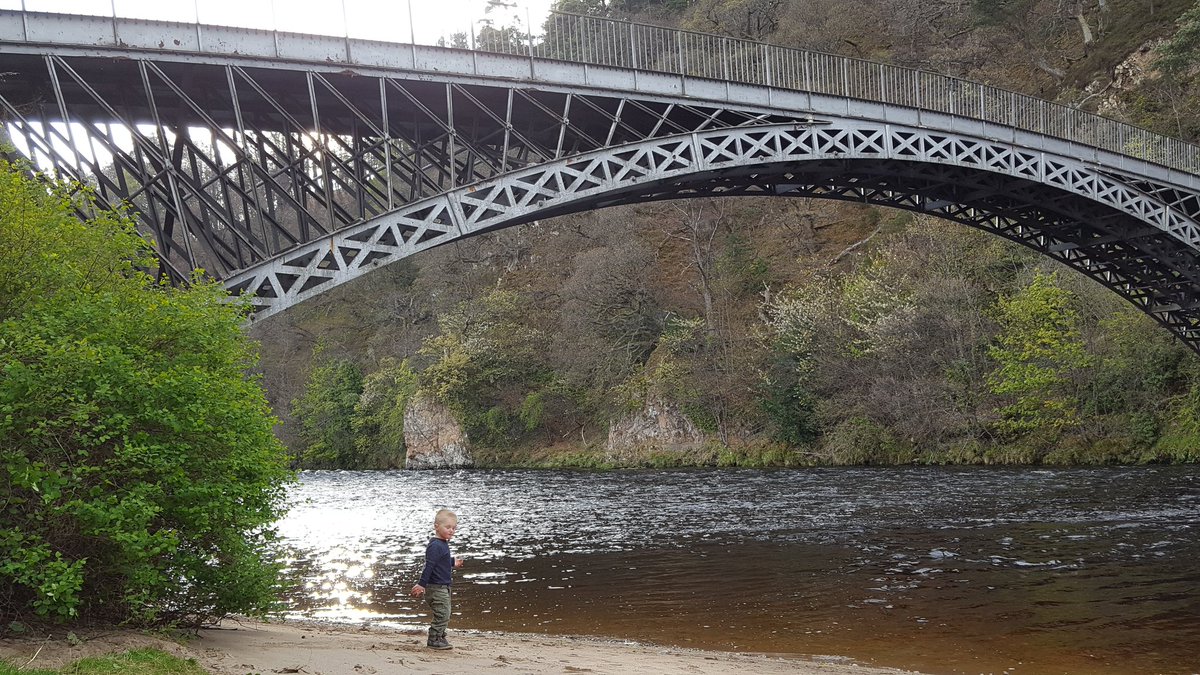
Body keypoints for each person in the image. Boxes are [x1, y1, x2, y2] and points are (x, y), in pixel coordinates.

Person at [411, 508, 464, 650]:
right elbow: (429, 565)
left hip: (443, 587)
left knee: (445, 612)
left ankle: (440, 636)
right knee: (443, 613)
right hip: (436, 587)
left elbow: (442, 561)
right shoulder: (435, 545)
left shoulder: (442, 543)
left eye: (454, 528)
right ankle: (434, 638)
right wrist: (421, 584)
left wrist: (453, 562)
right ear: (436, 527)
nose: (451, 530)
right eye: (448, 527)